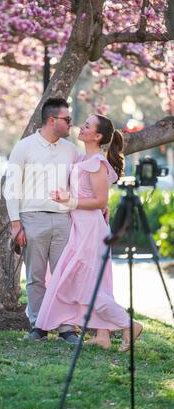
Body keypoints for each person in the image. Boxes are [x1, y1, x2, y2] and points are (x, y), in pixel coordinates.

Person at [35, 114, 143, 351]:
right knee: (87, 282)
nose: (81, 128)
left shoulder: (97, 164)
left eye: (86, 126)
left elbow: (100, 200)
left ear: (97, 136)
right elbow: (98, 201)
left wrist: (69, 200)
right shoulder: (84, 158)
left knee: (86, 286)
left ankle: (129, 324)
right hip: (80, 229)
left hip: (91, 232)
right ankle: (102, 335)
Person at [4, 98, 80, 343]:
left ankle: (66, 328)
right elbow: (12, 187)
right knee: (36, 277)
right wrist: (16, 225)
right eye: (67, 119)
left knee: (64, 276)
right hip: (32, 219)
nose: (71, 123)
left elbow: (84, 181)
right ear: (51, 120)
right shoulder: (24, 147)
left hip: (63, 220)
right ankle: (38, 326)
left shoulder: (71, 150)